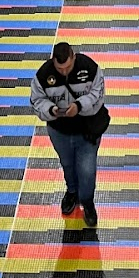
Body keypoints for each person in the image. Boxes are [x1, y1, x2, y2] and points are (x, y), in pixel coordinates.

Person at [30, 41, 107, 228]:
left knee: (87, 170)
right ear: (53, 62)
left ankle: (87, 204)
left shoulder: (90, 69)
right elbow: (36, 101)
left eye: (68, 67)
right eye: (59, 68)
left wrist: (79, 106)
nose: (64, 72)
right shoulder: (43, 76)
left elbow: (98, 95)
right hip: (59, 132)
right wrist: (52, 110)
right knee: (67, 164)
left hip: (86, 132)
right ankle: (72, 192)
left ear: (74, 57)